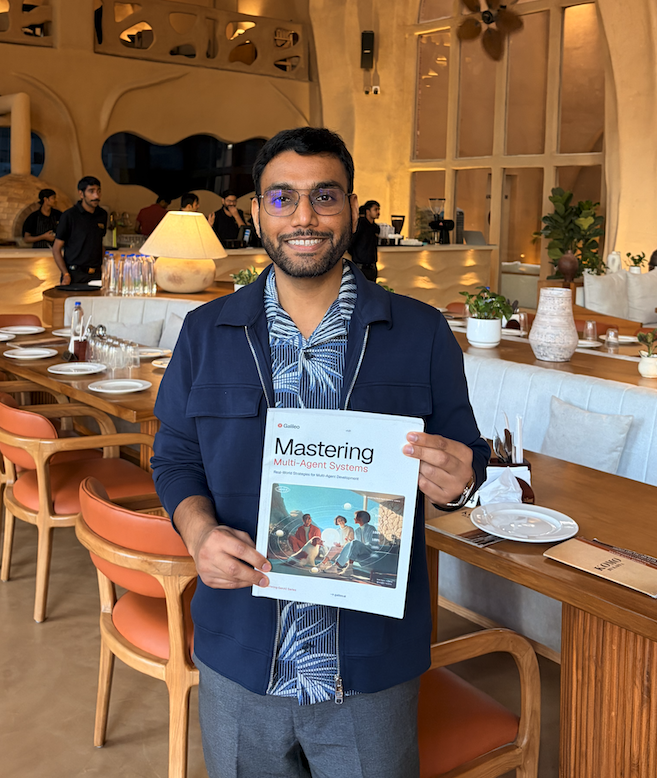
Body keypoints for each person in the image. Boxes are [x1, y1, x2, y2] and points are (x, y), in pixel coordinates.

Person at [151, 126, 489, 778]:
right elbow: (174, 454)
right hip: (240, 647)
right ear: (255, 213)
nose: (303, 217)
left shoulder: (418, 333)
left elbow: (466, 462)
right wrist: (197, 532)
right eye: (282, 198)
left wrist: (458, 480)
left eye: (323, 196)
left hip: (369, 664)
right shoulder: (205, 333)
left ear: (351, 207)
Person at [52, 176, 107, 285]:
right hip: (74, 274)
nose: (96, 196)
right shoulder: (69, 215)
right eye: (91, 191)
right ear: (81, 194)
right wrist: (65, 274)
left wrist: (104, 267)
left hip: (96, 274)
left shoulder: (102, 214)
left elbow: (99, 243)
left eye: (98, 191)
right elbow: (56, 249)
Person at [349, 200, 380, 281]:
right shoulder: (360, 225)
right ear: (368, 211)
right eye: (375, 209)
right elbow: (351, 243)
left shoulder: (376, 228)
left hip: (372, 266)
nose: (378, 212)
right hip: (360, 266)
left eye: (378, 209)